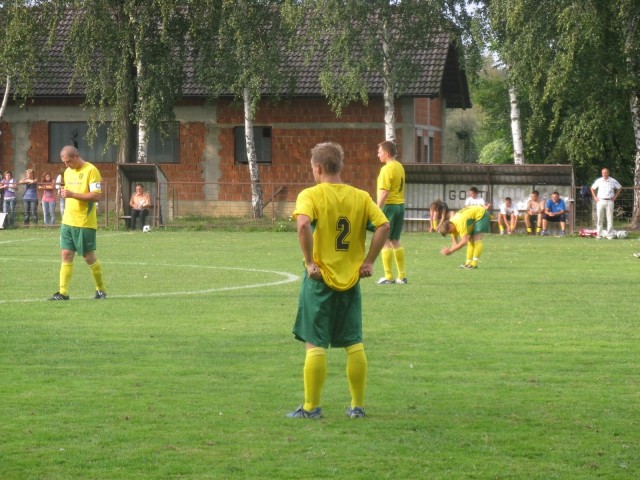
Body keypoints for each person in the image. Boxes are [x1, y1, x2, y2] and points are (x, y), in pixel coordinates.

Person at [287, 142, 389, 419]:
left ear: (317, 168)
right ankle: (357, 406)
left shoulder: (311, 195)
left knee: (315, 343)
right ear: (340, 166)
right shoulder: (360, 197)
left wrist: (309, 262)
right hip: (351, 280)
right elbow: (384, 225)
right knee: (353, 342)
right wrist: (369, 261)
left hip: (320, 279)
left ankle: (311, 407)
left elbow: (303, 224)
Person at [49, 146, 107, 301]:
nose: (67, 165)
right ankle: (63, 292)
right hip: (68, 221)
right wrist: (64, 194)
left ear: (76, 156)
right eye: (64, 162)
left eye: (68, 162)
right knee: (66, 254)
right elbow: (68, 194)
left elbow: (96, 196)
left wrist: (72, 194)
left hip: (84, 222)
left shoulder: (91, 170)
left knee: (88, 257)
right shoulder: (67, 173)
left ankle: (101, 289)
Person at [375, 140, 407, 285]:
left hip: (389, 206)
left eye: (380, 152)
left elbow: (384, 193)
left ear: (387, 154)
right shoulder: (399, 166)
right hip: (400, 205)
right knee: (395, 240)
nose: (378, 155)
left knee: (384, 241)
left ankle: (389, 277)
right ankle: (402, 276)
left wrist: (376, 210)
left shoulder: (386, 169)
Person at [438, 205, 490, 269]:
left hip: (481, 214)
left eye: (449, 232)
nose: (450, 233)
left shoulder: (460, 223)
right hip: (473, 216)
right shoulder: (452, 225)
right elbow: (455, 243)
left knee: (476, 239)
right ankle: (468, 263)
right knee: (470, 240)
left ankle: (474, 264)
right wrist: (448, 251)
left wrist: (451, 251)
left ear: (451, 225)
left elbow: (464, 242)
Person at [590, 168, 622, 239]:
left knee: (609, 218)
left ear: (608, 173)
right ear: (602, 173)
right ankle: (599, 234)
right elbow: (592, 188)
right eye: (603, 173)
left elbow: (619, 187)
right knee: (599, 218)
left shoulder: (613, 180)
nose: (604, 174)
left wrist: (615, 196)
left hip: (610, 201)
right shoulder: (599, 180)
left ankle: (610, 234)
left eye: (605, 173)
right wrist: (595, 197)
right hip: (600, 201)